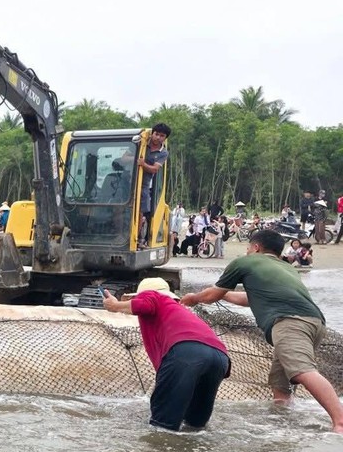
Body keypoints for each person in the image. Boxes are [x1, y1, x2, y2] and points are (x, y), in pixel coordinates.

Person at [181, 229, 343, 432]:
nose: (247, 251)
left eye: (248, 247)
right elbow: (252, 299)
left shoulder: (245, 262)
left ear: (256, 247)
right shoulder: (286, 268)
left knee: (302, 370)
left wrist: (194, 298)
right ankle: (284, 420)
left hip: (289, 322)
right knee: (279, 381)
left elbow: (212, 293)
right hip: (315, 323)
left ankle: (339, 421)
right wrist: (224, 295)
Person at [102, 278, 231, 430]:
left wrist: (115, 306)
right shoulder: (178, 310)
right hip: (220, 358)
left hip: (187, 353)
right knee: (195, 425)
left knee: (162, 428)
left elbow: (145, 303)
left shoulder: (155, 297)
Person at [137, 123, 170, 248]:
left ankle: (137, 238)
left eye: (162, 136)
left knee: (140, 212)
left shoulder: (163, 153)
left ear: (165, 138)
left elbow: (154, 169)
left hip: (144, 184)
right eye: (156, 134)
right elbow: (126, 157)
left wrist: (142, 164)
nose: (158, 138)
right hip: (130, 182)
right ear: (152, 133)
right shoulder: (141, 144)